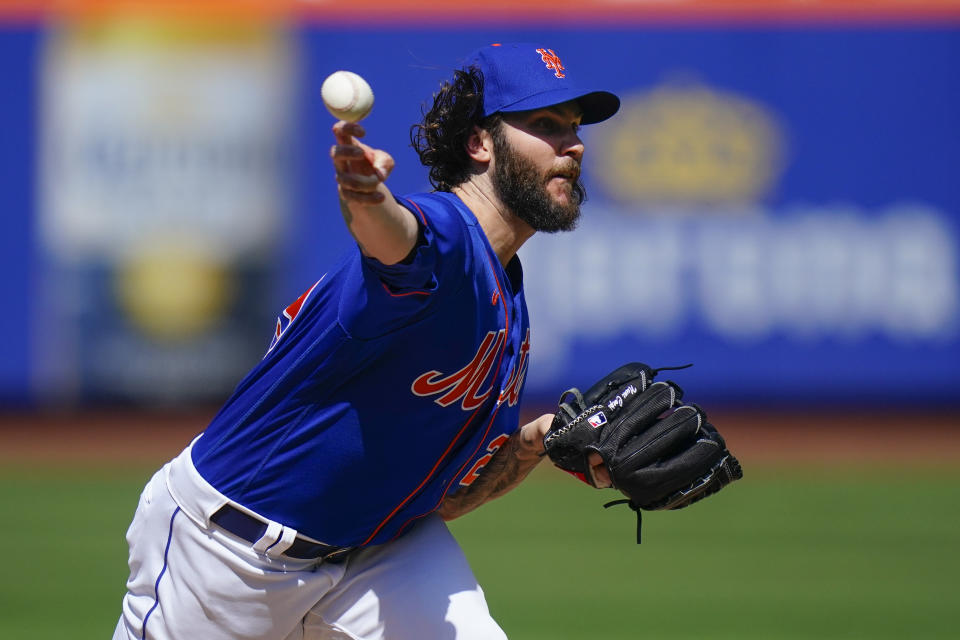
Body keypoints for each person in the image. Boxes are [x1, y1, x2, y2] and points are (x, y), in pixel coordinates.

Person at [113, 42, 620, 640]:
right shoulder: (449, 241)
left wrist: (537, 442)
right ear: (480, 143)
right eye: (545, 125)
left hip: (379, 550)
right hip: (227, 553)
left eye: (574, 127)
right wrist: (366, 196)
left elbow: (448, 500)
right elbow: (397, 240)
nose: (573, 145)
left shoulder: (507, 298)